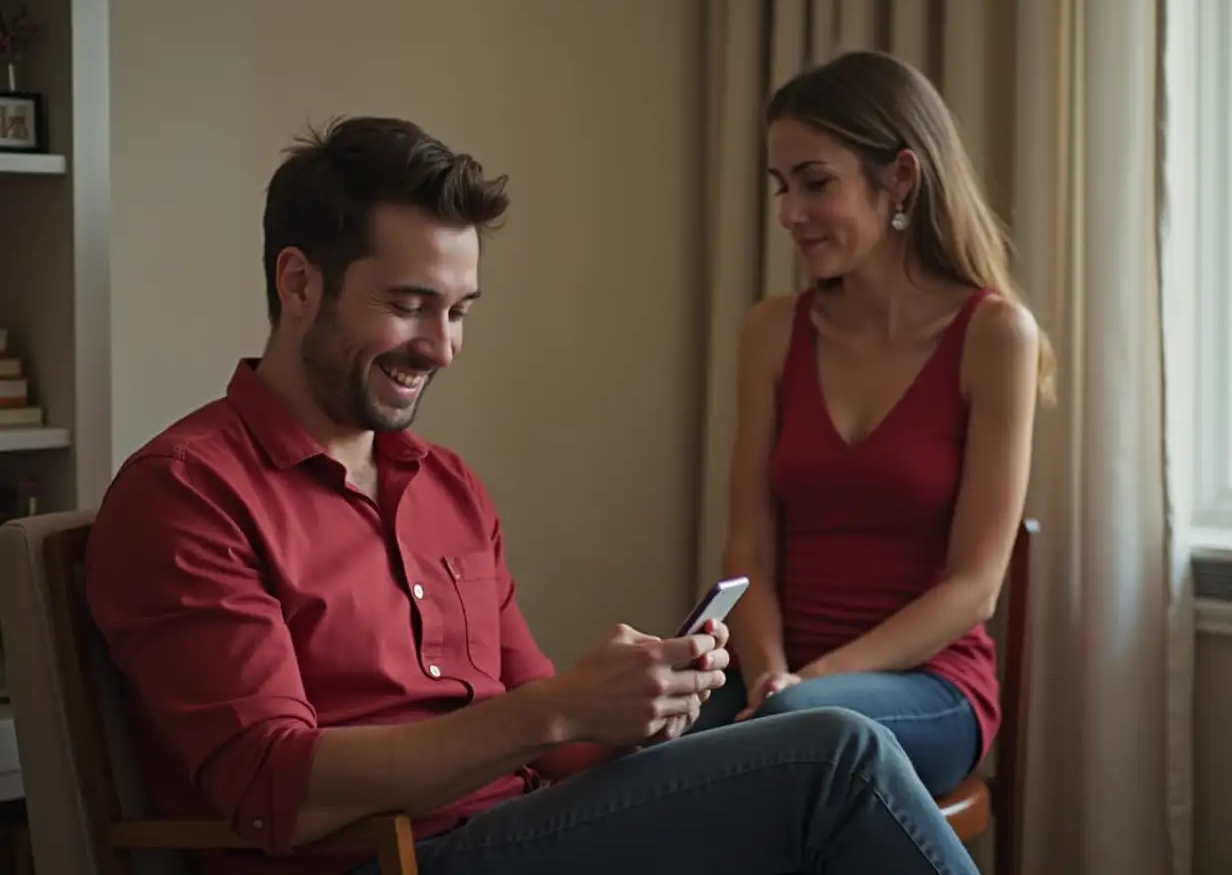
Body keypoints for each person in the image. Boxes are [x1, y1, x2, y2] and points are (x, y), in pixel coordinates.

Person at [84, 115, 981, 875]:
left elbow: (554, 741)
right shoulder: (189, 495)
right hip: (395, 858)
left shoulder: (444, 486)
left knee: (787, 746)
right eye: (408, 305)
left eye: (460, 310)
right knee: (834, 756)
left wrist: (639, 712)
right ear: (298, 282)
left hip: (519, 833)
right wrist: (555, 708)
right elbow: (272, 787)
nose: (440, 347)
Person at [691, 50, 1053, 800]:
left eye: (815, 182)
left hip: (930, 688)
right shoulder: (772, 331)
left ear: (901, 179)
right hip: (776, 670)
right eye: (782, 187)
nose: (790, 212)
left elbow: (975, 587)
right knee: (633, 747)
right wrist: (767, 673)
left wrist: (812, 682)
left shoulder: (994, 336)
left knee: (796, 735)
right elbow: (746, 546)